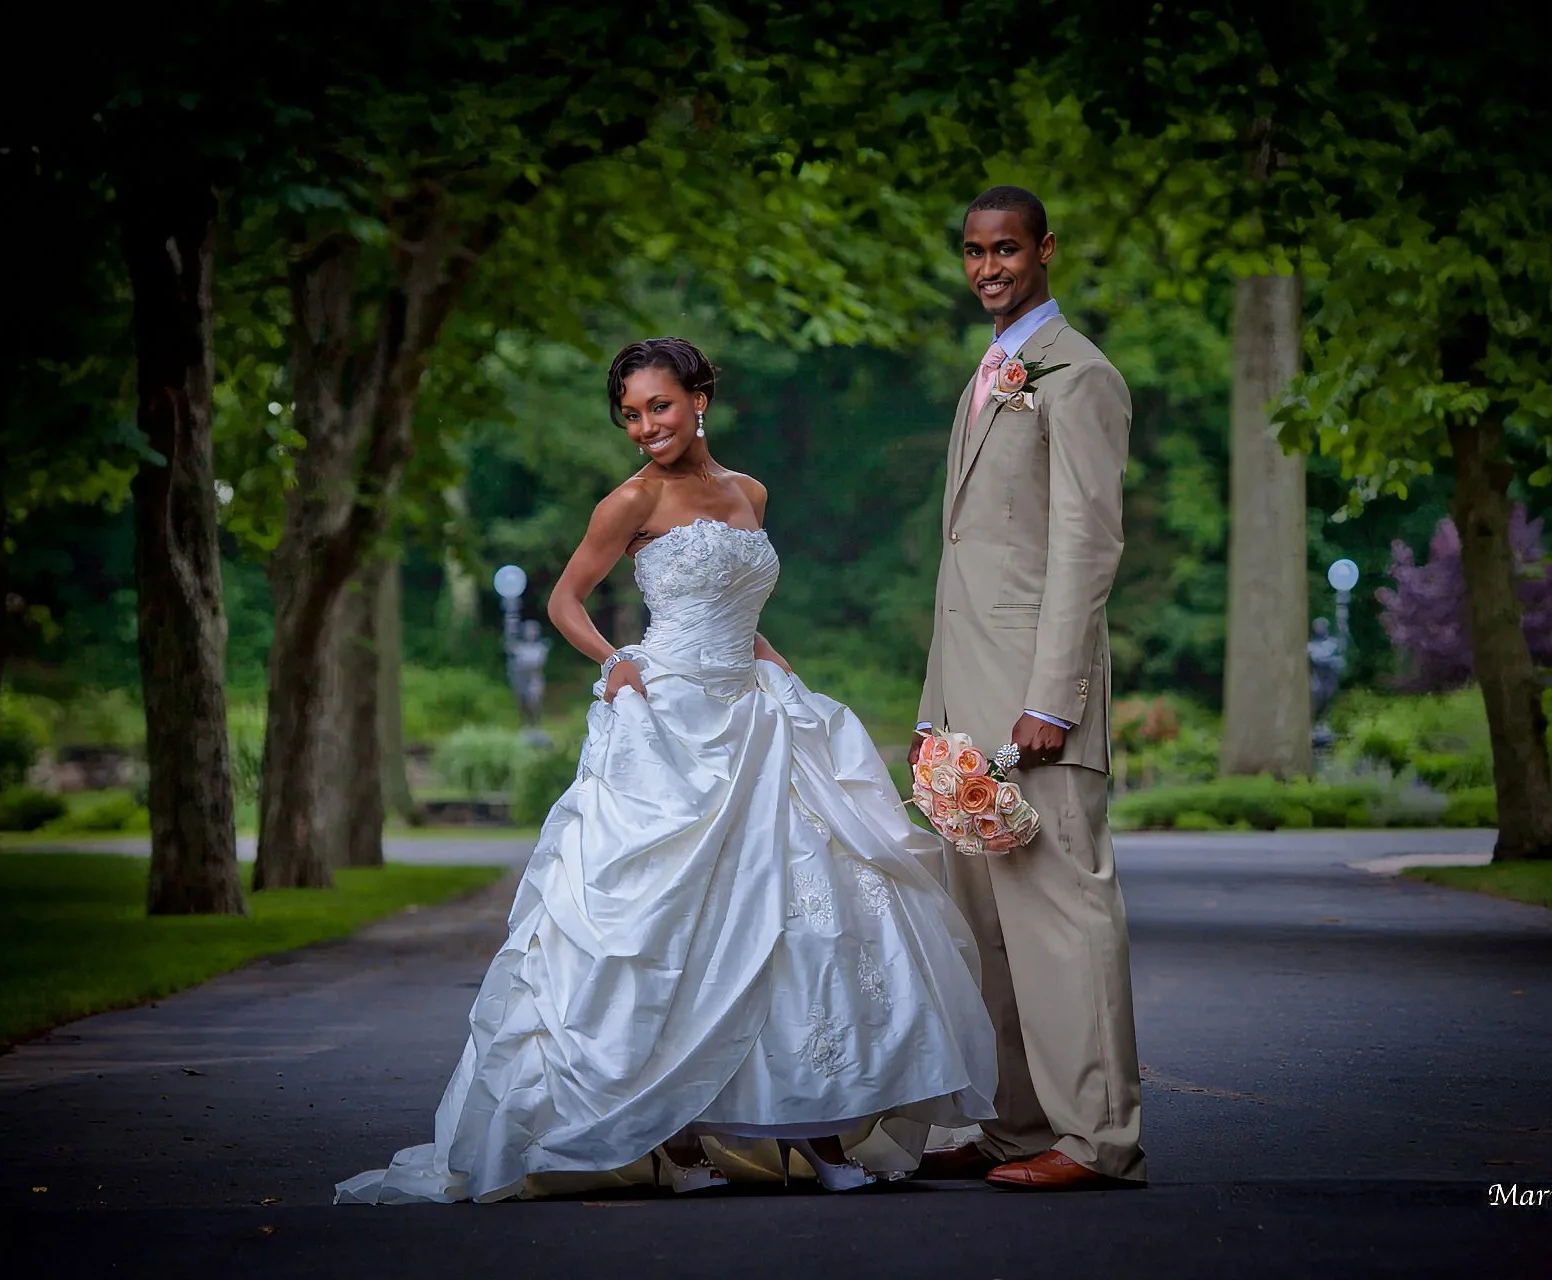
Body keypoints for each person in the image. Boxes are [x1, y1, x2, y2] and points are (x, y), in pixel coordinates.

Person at [337, 337, 997, 1204]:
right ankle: (675, 1140)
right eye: (631, 414)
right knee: (675, 925)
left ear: (699, 400)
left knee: (807, 921)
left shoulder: (749, 492)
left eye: (659, 406)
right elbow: (564, 600)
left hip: (756, 714)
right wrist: (614, 660)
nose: (645, 426)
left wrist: (791, 685)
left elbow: (740, 614)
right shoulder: (631, 500)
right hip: (672, 719)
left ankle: (823, 1129)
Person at [912, 186, 1148, 1191]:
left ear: (1045, 249)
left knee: (1062, 916)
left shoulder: (1079, 374)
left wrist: (1053, 695)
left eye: (1006, 249)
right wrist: (935, 711)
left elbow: (1087, 544)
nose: (988, 268)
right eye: (973, 251)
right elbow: (972, 555)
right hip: (967, 696)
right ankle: (1016, 1126)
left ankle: (1098, 1137)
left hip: (1036, 701)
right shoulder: (994, 370)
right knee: (989, 926)